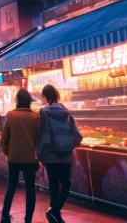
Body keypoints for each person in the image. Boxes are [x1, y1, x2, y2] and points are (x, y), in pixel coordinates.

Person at [37, 85, 82, 223]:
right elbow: (78, 136)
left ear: (45, 96)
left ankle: (53, 210)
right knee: (66, 184)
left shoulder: (43, 113)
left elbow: (42, 135)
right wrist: (68, 146)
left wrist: (40, 153)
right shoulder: (67, 113)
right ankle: (55, 210)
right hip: (66, 156)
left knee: (53, 184)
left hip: (50, 156)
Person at [0, 89, 40, 223]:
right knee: (30, 189)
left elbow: (4, 139)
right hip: (30, 159)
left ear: (17, 101)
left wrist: (8, 153)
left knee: (11, 187)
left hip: (14, 158)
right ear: (29, 102)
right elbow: (39, 139)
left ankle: (5, 216)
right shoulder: (36, 117)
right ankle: (28, 219)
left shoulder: (11, 115)